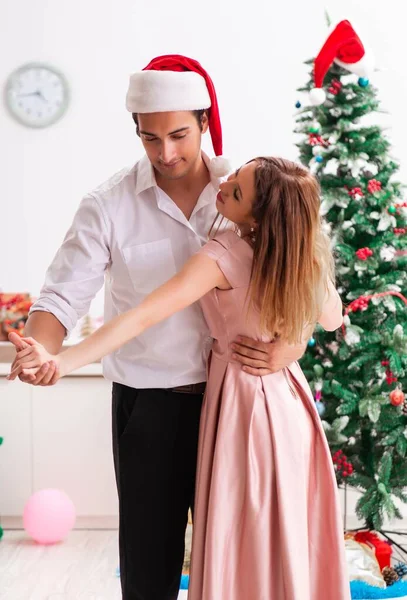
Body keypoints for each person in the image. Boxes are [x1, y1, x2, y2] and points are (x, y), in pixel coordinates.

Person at [10, 56, 306, 600]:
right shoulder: (108, 204)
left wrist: (296, 341)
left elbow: (300, 263)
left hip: (235, 406)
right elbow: (61, 297)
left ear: (205, 122)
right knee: (149, 568)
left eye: (178, 134)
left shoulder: (246, 189)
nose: (166, 153)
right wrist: (44, 353)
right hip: (148, 407)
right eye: (150, 138)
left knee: (238, 564)